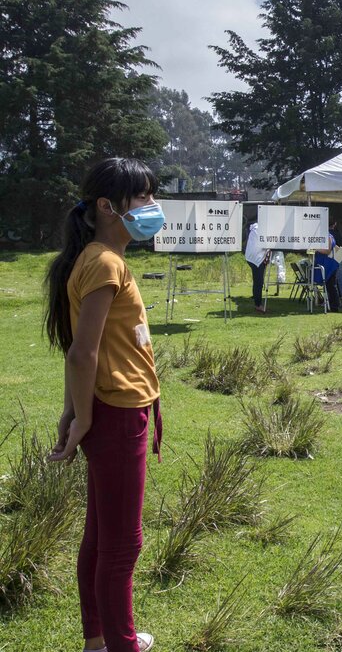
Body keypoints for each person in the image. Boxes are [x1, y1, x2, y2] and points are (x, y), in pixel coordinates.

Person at [44, 158, 162, 652]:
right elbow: (82, 350)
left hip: (110, 409)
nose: (152, 207)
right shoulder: (105, 261)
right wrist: (84, 415)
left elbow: (81, 346)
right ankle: (122, 645)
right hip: (116, 413)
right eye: (143, 197)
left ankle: (99, 641)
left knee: (100, 538)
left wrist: (74, 410)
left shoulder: (96, 258)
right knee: (122, 546)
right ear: (107, 206)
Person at [313, 228, 342, 312]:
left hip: (330, 264)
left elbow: (327, 250)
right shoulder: (326, 236)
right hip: (326, 264)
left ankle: (334, 306)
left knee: (331, 285)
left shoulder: (329, 237)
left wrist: (315, 249)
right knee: (329, 285)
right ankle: (330, 304)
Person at [244, 220, 269, 313]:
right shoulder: (259, 229)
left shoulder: (255, 228)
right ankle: (258, 305)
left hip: (251, 257)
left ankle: (257, 302)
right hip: (256, 258)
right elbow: (265, 243)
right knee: (259, 282)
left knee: (257, 281)